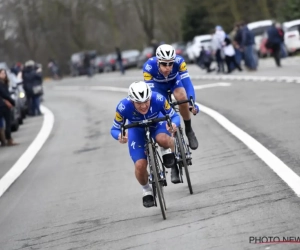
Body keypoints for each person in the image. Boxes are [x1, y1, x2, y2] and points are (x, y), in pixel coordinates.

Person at [111, 81, 181, 208]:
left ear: (150, 98)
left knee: (162, 139)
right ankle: (146, 189)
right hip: (136, 131)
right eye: (139, 103)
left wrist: (174, 125)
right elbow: (114, 129)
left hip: (157, 125)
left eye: (146, 102)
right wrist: (119, 136)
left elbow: (174, 116)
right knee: (140, 165)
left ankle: (167, 152)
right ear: (132, 101)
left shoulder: (159, 99)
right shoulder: (123, 107)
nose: (143, 106)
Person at [142, 44, 199, 150]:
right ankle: (168, 147)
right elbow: (153, 94)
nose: (167, 67)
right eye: (164, 64)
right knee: (161, 105)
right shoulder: (148, 67)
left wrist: (191, 103)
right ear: (158, 61)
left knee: (182, 97)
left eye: (170, 64)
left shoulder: (180, 62)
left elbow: (187, 83)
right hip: (157, 87)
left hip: (174, 82)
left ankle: (188, 129)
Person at [0, 69, 18, 146]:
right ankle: (8, 140)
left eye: (4, 73)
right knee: (7, 123)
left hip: (4, 104)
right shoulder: (1, 84)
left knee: (5, 123)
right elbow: (5, 94)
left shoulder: (5, 83)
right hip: (3, 105)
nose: (4, 74)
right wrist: (12, 101)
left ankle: (5, 140)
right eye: (2, 73)